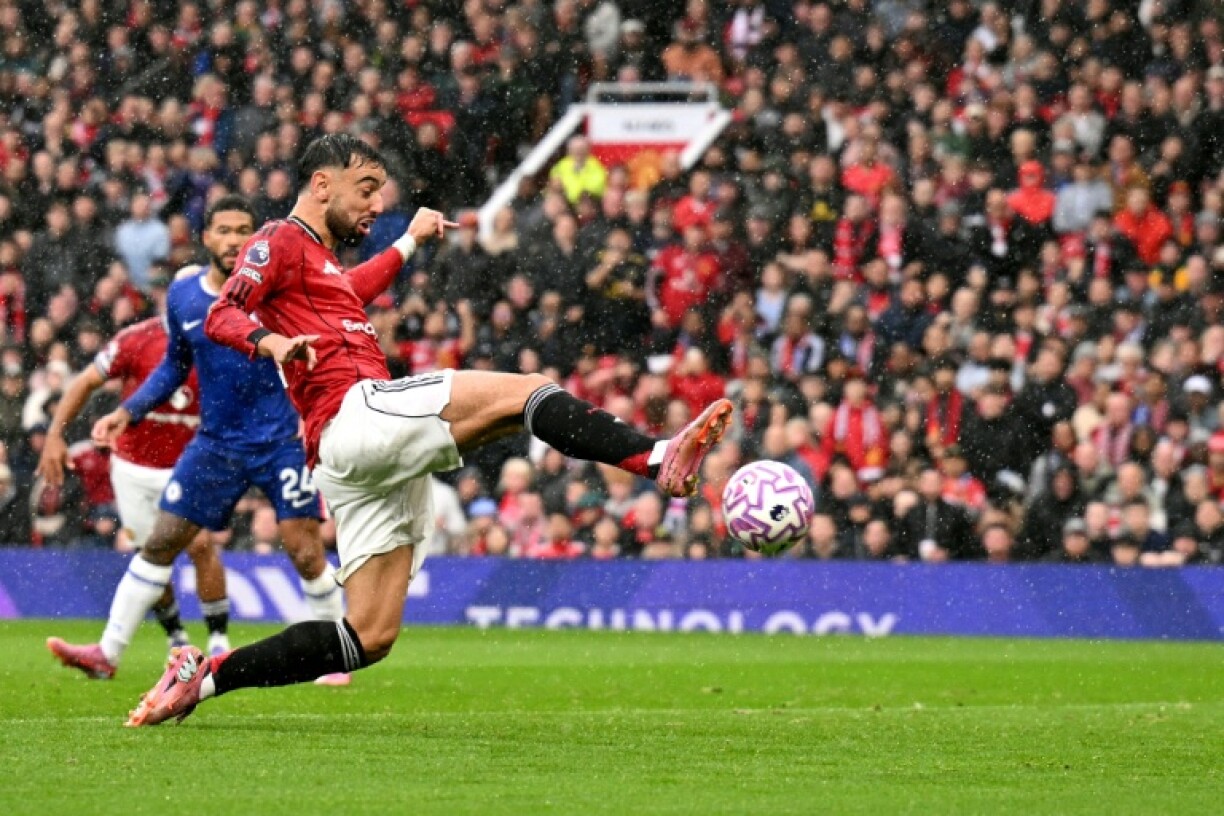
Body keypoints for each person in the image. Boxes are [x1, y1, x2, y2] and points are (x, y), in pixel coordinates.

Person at [124, 134, 732, 726]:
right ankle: (654, 458)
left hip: (349, 454)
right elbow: (223, 310)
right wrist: (273, 342)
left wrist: (410, 244)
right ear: (320, 184)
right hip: (354, 414)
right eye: (365, 189)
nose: (376, 205)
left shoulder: (323, 264)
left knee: (366, 636)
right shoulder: (278, 238)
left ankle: (201, 680)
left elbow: (352, 289)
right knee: (523, 391)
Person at [64, 195, 349, 686]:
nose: (234, 238)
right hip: (216, 444)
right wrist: (126, 412)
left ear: (252, 239)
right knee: (159, 542)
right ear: (207, 238)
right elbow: (173, 367)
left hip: (280, 441)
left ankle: (331, 658)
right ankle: (107, 653)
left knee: (304, 551)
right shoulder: (184, 298)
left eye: (243, 229)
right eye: (224, 229)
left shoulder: (276, 293)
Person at [40, 314, 228, 677]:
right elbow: (86, 381)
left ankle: (219, 641)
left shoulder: (221, 341)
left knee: (201, 544)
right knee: (152, 553)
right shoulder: (135, 340)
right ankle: (175, 636)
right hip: (133, 470)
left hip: (187, 466)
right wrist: (55, 433)